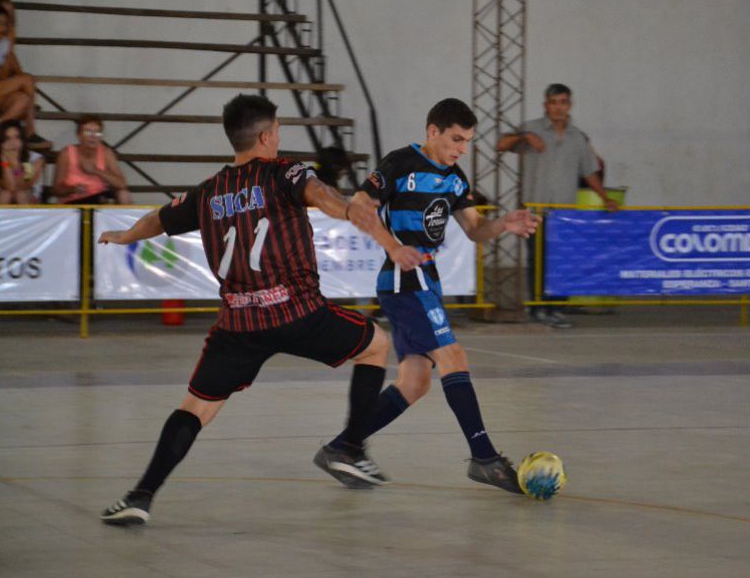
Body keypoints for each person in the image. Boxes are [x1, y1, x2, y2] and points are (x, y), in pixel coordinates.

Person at [97, 94, 393, 526]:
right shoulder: (283, 171)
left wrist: (126, 235)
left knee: (195, 408)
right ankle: (348, 447)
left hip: (239, 323)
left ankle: (141, 495)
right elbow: (320, 193)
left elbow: (160, 218)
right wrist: (348, 209)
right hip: (297, 312)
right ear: (267, 136)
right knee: (377, 346)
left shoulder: (209, 191)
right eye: (277, 131)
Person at [315, 98, 541, 495]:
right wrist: (392, 247)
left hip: (425, 277)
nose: (461, 149)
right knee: (453, 356)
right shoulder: (401, 163)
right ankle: (485, 458)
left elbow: (474, 229)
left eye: (468, 141)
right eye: (456, 138)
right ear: (432, 131)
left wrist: (503, 223)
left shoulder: (455, 179)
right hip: (406, 277)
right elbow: (359, 206)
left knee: (415, 381)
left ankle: (344, 447)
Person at [497, 83, 618, 328]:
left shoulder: (577, 138)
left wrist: (605, 198)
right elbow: (501, 145)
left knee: (561, 260)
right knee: (537, 259)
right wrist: (524, 137)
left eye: (563, 102)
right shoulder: (531, 129)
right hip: (535, 209)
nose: (558, 107)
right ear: (546, 105)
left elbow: (590, 172)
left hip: (565, 213)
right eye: (553, 102)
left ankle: (556, 308)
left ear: (569, 105)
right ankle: (539, 307)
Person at [0, 5, 50, 150]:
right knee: (26, 80)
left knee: (23, 99)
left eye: (5, 24)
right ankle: (30, 132)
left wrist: (8, 54)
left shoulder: (4, 47)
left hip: (0, 93)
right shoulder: (4, 48)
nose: (2, 27)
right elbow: (2, 74)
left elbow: (19, 73)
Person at [53, 115, 133, 204]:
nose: (93, 136)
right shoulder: (67, 153)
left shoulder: (106, 152)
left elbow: (122, 184)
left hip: (98, 199)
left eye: (98, 133)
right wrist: (73, 189)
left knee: (124, 194)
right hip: (72, 201)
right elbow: (57, 190)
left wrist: (96, 171)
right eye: (88, 132)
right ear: (79, 135)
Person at [0, 119, 44, 203]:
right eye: (7, 139)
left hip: (29, 195)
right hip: (2, 194)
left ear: (22, 140)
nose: (13, 143)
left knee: (20, 193)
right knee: (6, 193)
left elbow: (23, 185)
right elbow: (10, 186)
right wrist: (5, 162)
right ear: (1, 143)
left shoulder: (36, 159)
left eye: (17, 137)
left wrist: (15, 165)